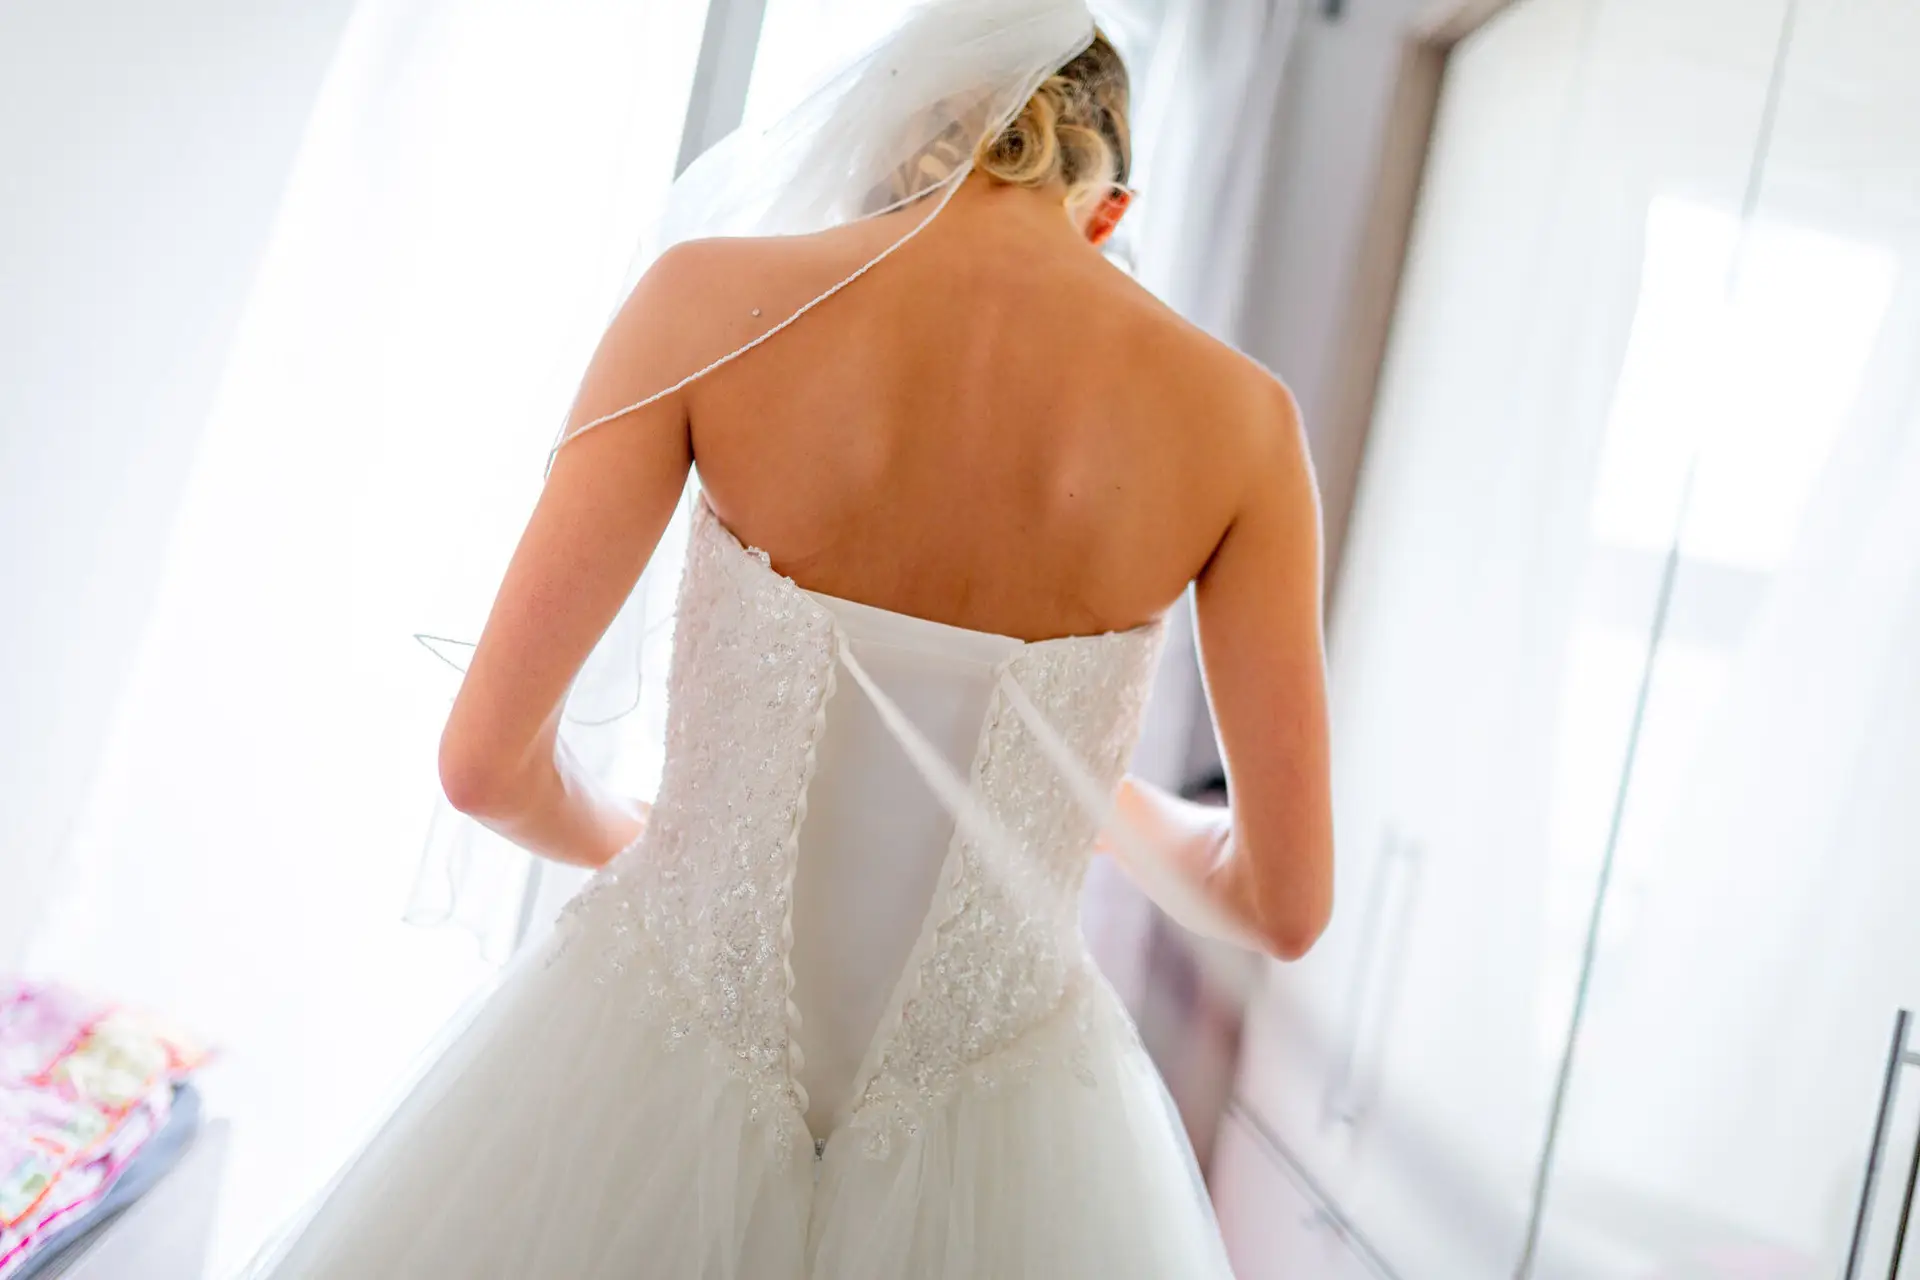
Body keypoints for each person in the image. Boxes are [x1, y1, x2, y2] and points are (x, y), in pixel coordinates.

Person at [246, 5, 1330, 1276]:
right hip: (1018, 1156)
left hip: (640, 1066)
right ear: (1108, 210)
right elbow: (1280, 901)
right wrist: (1085, 792)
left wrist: (663, 848)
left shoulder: (712, 300)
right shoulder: (1244, 425)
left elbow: (485, 766)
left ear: (892, 143)